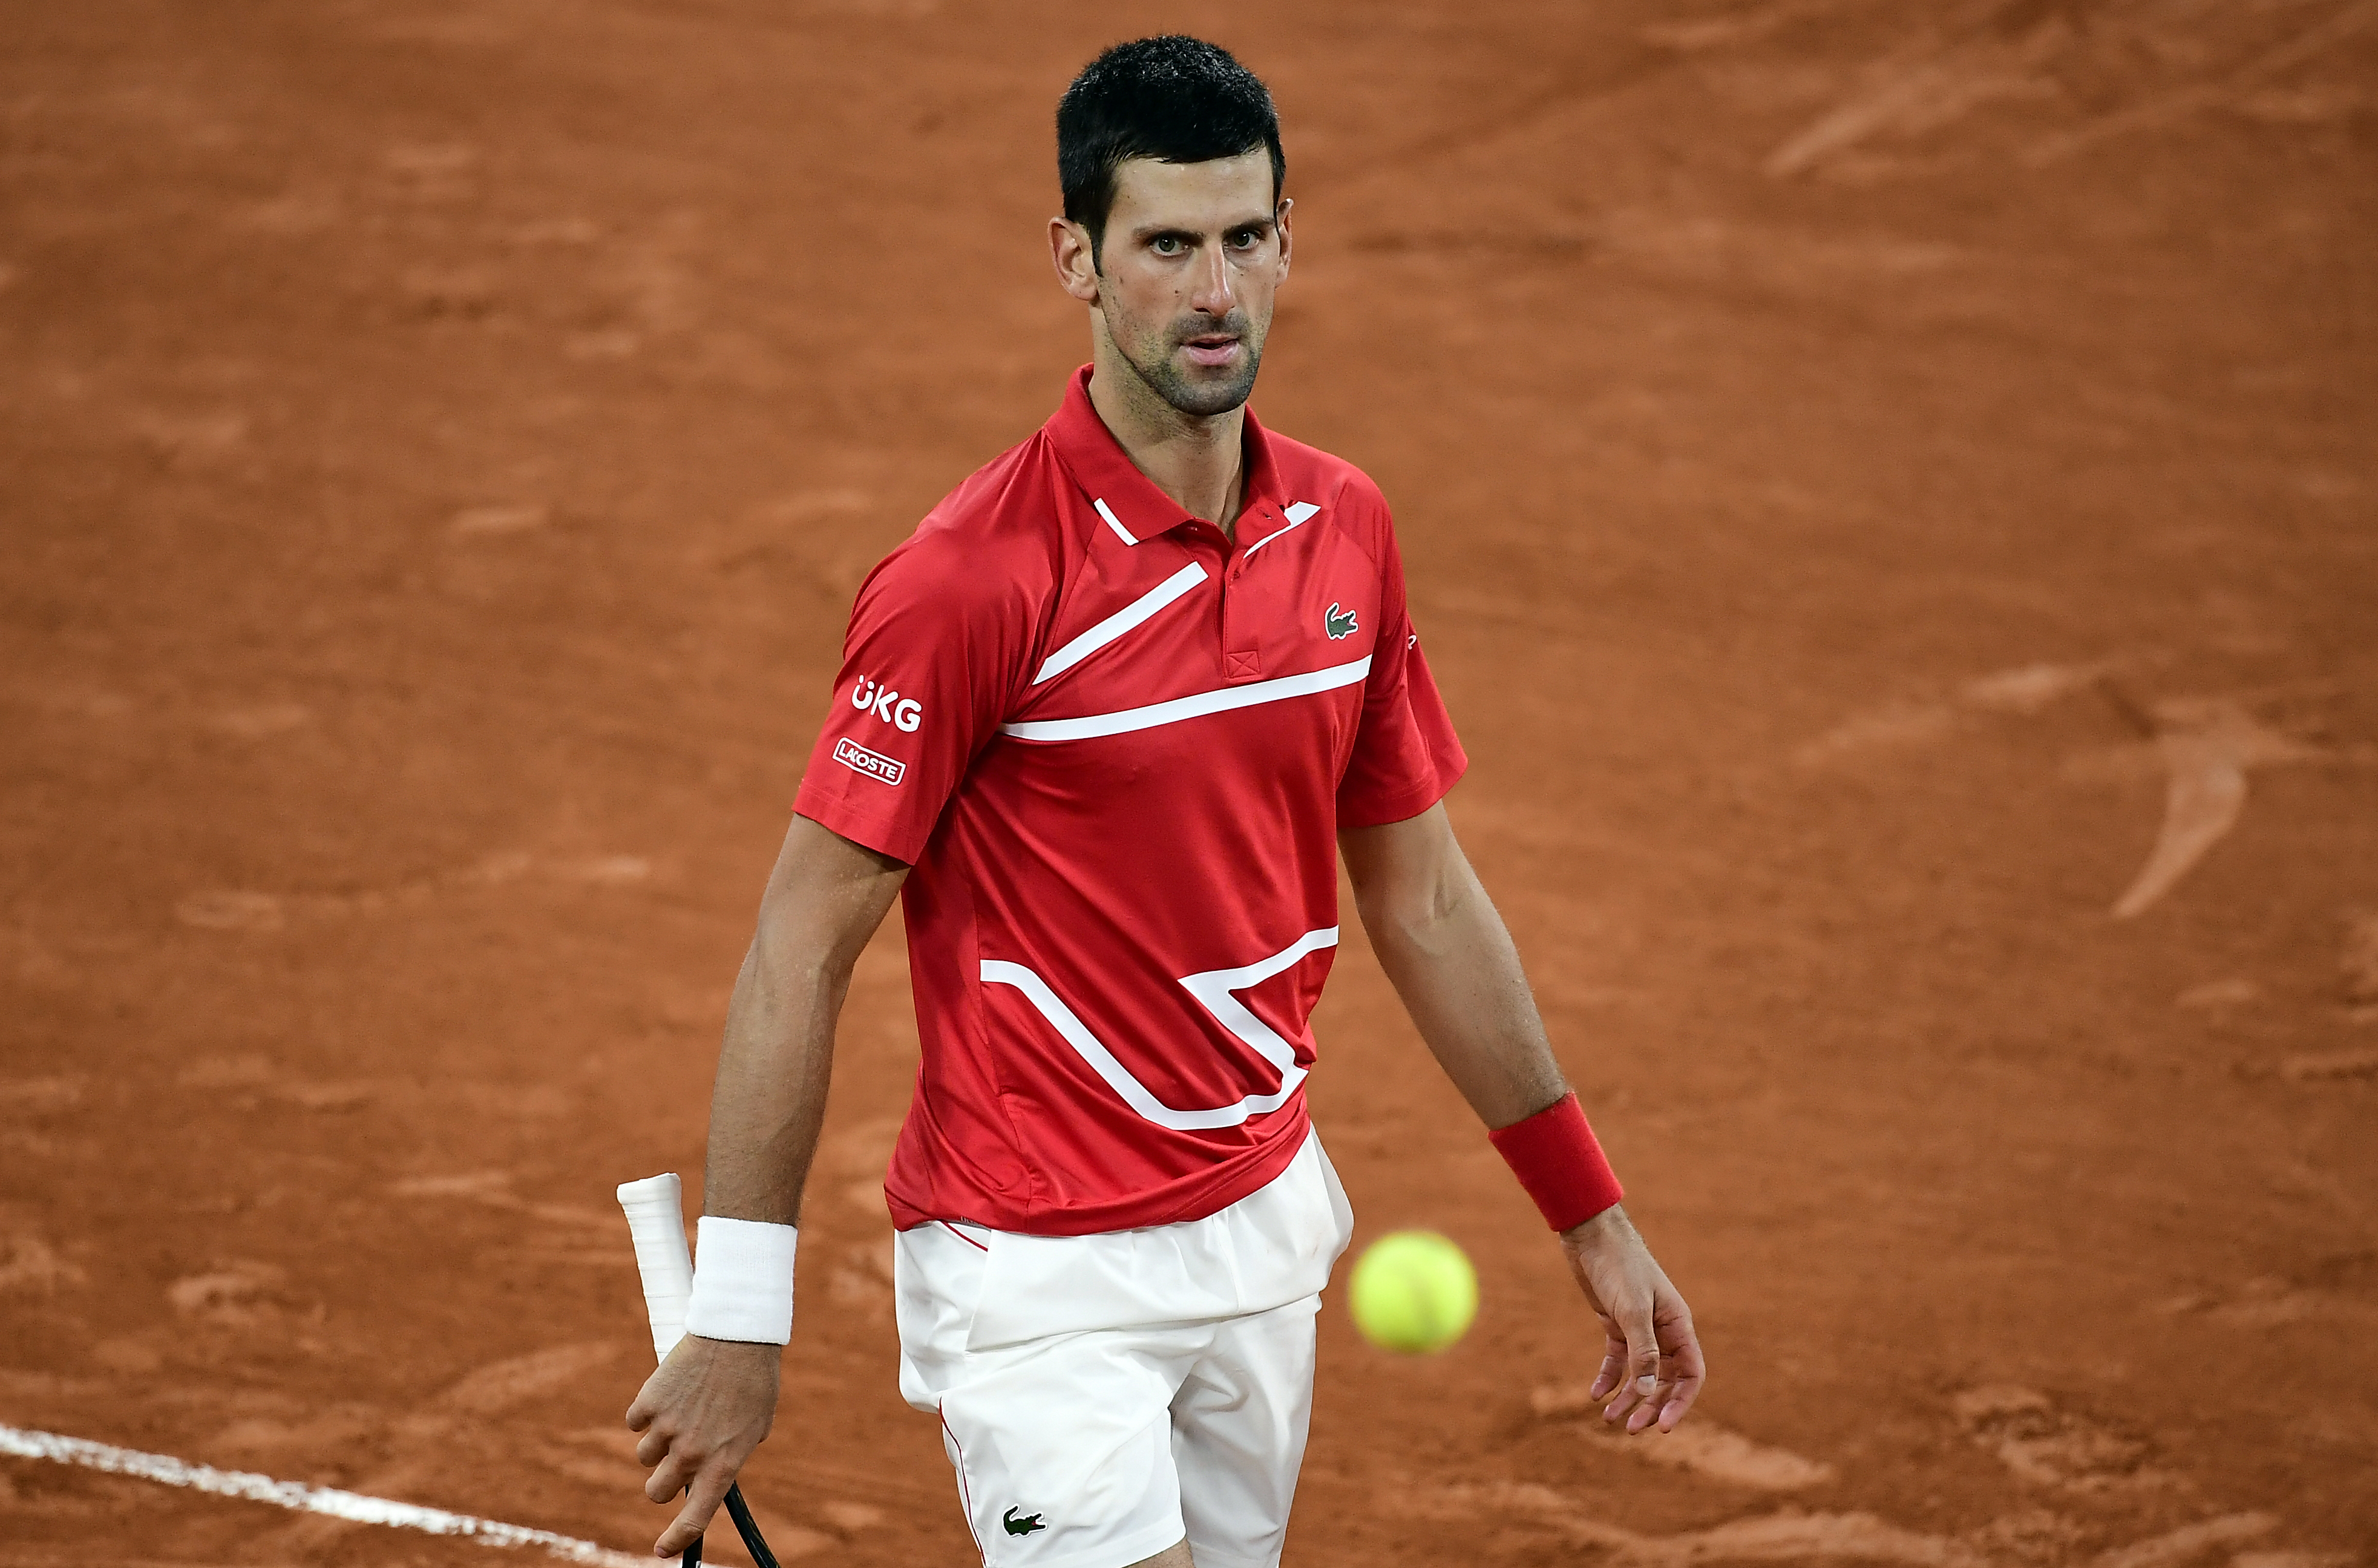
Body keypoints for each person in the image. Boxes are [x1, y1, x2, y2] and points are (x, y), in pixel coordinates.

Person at [627, 35, 1705, 1568]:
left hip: (1264, 1231)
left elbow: (1427, 897)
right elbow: (801, 943)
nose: (1216, 292)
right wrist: (740, 1325)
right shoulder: (970, 584)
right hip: (1035, 1263)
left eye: (1246, 239)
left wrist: (1589, 1211)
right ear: (1077, 258)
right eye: (1168, 247)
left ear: (1288, 239)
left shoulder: (1346, 528)